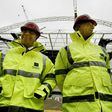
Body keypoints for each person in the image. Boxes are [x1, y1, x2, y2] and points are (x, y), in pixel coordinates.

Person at [55, 14, 112, 112]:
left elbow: (107, 73)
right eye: (89, 24)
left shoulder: (101, 50)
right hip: (77, 107)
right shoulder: (66, 50)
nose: (93, 27)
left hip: (105, 107)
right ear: (78, 26)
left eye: (93, 25)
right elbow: (60, 79)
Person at [0, 22, 56, 112]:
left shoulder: (44, 60)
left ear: (36, 38)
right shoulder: (5, 54)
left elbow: (51, 78)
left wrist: (43, 91)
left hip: (31, 106)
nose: (26, 34)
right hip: (4, 105)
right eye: (24, 31)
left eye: (31, 32)